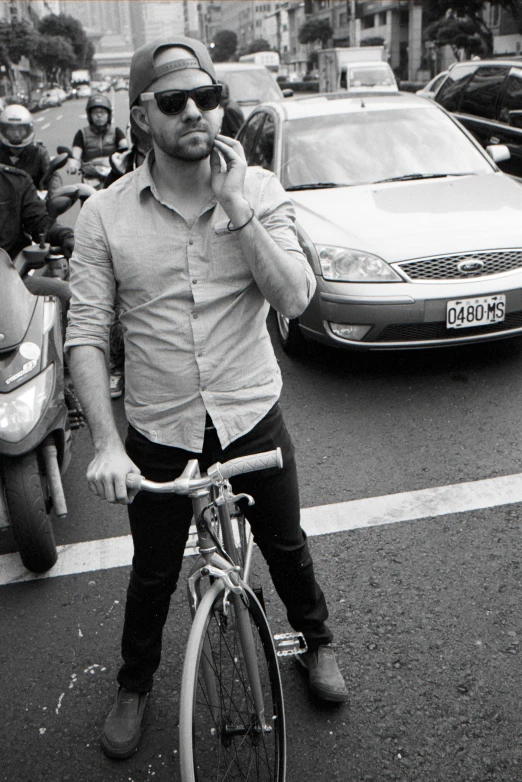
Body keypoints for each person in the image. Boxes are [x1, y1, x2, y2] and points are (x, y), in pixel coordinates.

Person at [65, 36, 347, 761]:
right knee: (153, 571)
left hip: (250, 410)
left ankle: (316, 642)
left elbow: (295, 297)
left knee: (286, 544)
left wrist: (235, 208)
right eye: (173, 101)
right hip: (160, 425)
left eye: (207, 98)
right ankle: (135, 683)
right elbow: (88, 335)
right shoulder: (102, 215)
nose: (195, 112)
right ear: (140, 117)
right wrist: (104, 441)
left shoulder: (257, 190)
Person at [0, 162, 73, 306]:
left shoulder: (17, 182)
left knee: (68, 294)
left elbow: (40, 223)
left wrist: (66, 236)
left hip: (12, 280)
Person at [0, 104, 63, 198]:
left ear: (28, 130)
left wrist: (54, 193)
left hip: (33, 206)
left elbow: (52, 176)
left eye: (21, 130)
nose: (17, 135)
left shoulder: (39, 153)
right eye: (11, 130)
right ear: (4, 130)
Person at [67, 93, 127, 175]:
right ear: (89, 115)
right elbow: (75, 155)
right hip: (90, 175)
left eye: (102, 112)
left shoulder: (116, 131)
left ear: (109, 115)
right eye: (95, 112)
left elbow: (126, 148)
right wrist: (73, 165)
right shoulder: (82, 134)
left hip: (113, 175)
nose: (99, 115)